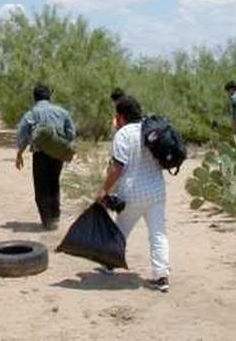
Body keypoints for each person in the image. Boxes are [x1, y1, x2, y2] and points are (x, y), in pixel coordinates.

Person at [94, 95, 170, 292]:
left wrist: (104, 189)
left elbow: (117, 168)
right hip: (156, 191)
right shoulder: (151, 129)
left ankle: (110, 264)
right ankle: (161, 276)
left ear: (120, 116)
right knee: (158, 233)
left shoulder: (123, 134)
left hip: (133, 192)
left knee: (121, 230)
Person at [16, 84, 76, 230]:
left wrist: (20, 153)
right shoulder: (62, 112)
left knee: (41, 187)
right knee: (54, 184)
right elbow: (71, 133)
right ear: (49, 96)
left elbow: (22, 134)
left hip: (40, 155)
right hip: (57, 154)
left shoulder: (31, 113)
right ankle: (55, 217)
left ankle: (47, 220)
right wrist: (63, 145)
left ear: (34, 97)